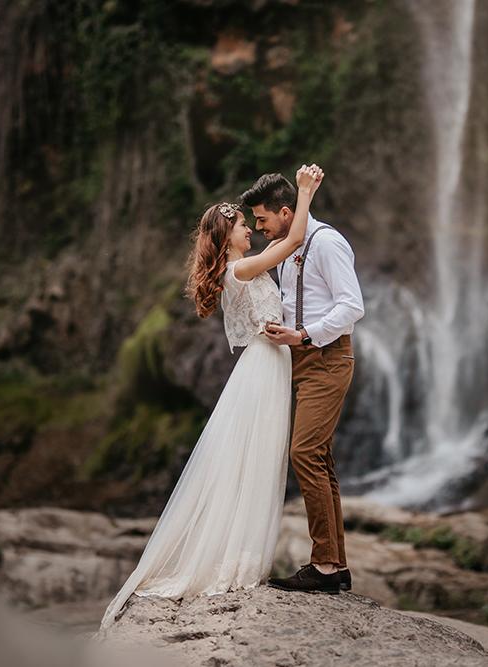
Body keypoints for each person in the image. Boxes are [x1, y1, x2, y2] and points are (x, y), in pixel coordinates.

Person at [96, 164, 324, 633]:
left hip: (268, 366)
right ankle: (235, 562)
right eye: (244, 225)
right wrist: (304, 193)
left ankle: (242, 555)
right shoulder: (240, 268)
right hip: (262, 371)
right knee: (253, 461)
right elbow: (295, 240)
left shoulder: (236, 268)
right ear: (230, 237)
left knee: (256, 462)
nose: (251, 228)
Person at [240, 172, 364, 594]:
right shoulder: (284, 246)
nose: (258, 229)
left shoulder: (327, 243)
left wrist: (304, 335)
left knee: (305, 451)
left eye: (261, 220)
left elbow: (352, 306)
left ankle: (325, 564)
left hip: (327, 357)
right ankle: (336, 565)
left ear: (286, 212)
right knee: (320, 458)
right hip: (302, 359)